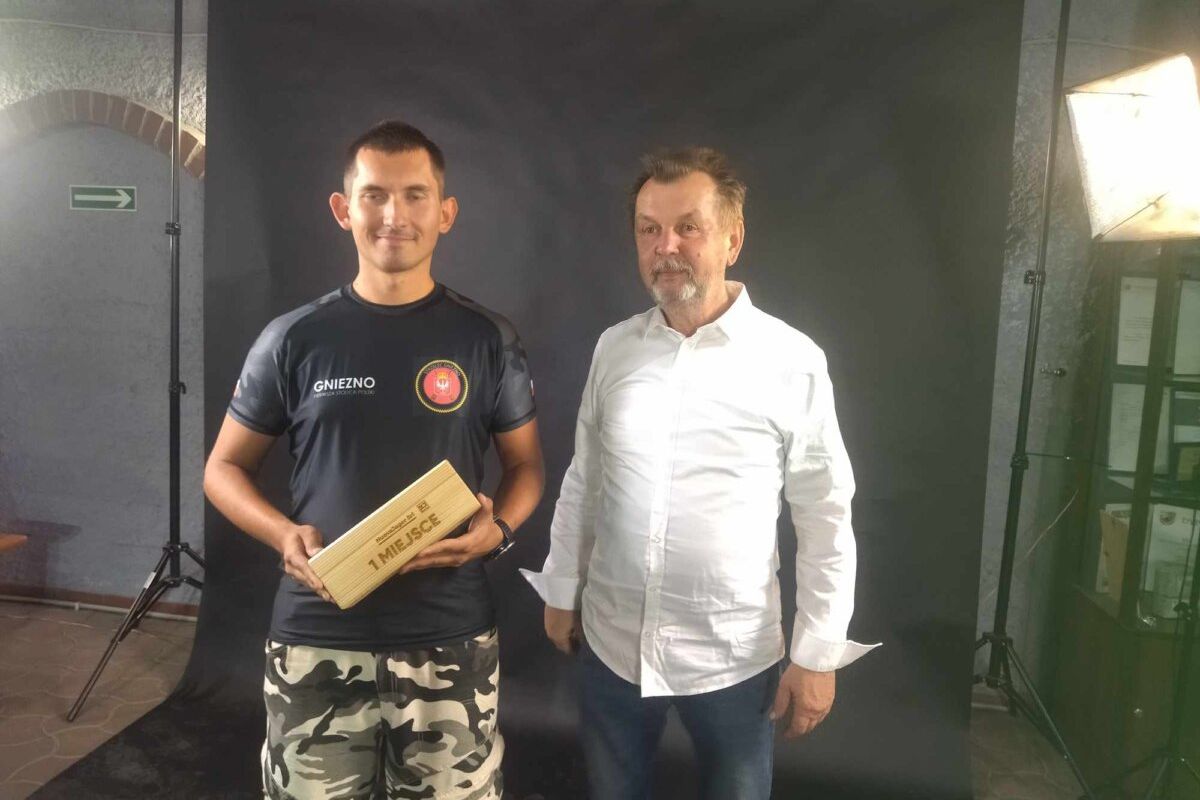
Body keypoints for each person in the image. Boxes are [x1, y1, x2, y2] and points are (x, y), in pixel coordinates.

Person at [522, 147, 877, 800]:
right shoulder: (614, 348)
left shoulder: (791, 360)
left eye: (688, 227)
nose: (666, 247)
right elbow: (585, 480)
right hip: (612, 644)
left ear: (732, 239)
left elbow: (825, 511)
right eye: (649, 229)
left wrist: (818, 652)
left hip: (733, 657)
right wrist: (561, 585)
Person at [204, 120, 544, 800]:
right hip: (316, 637)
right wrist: (282, 534)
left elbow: (527, 468)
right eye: (374, 195)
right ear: (343, 209)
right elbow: (222, 470)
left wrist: (499, 529)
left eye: (416, 195)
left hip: (449, 638)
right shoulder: (293, 339)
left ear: (445, 213)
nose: (395, 215)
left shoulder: (487, 339)